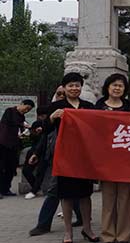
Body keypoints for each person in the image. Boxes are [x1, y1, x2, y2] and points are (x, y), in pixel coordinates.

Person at [46, 72, 98, 243]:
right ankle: (68, 232)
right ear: (64, 87)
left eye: (77, 85)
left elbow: (98, 126)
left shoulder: (88, 106)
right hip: (65, 156)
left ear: (81, 87)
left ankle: (87, 229)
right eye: (71, 85)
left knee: (85, 194)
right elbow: (45, 129)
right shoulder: (56, 106)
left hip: (84, 156)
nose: (74, 88)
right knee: (66, 195)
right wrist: (52, 118)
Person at [95, 74, 130, 243]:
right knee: (108, 199)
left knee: (125, 199)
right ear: (107, 87)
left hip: (126, 160)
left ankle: (123, 235)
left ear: (125, 89)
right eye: (114, 85)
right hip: (106, 160)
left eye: (120, 86)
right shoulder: (99, 106)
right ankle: (108, 235)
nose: (117, 88)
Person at [28, 87, 83, 236]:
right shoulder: (54, 111)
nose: (61, 96)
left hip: (76, 156)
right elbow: (45, 135)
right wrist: (36, 153)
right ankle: (43, 224)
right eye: (59, 93)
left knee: (70, 188)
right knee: (56, 189)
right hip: (57, 157)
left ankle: (80, 218)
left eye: (63, 94)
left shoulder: (81, 108)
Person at [0, 98, 34, 196]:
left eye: (29, 110)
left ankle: (6, 189)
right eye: (26, 108)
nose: (26, 111)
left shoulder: (22, 117)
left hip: (13, 145)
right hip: (3, 143)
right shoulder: (9, 111)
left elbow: (21, 129)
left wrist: (24, 132)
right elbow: (11, 122)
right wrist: (22, 124)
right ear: (22, 104)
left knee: (11, 168)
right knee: (1, 167)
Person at [22, 105, 49, 199]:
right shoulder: (36, 123)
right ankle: (36, 188)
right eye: (41, 116)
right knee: (26, 170)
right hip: (34, 150)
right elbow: (32, 137)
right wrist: (36, 132)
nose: (43, 118)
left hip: (45, 151)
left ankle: (34, 190)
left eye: (44, 116)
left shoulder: (51, 124)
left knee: (40, 171)